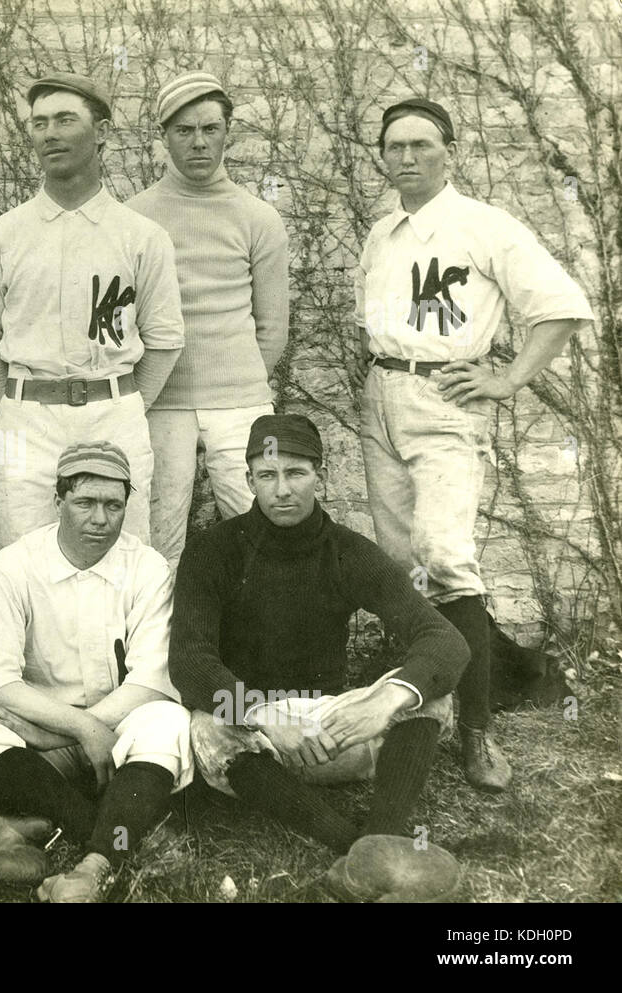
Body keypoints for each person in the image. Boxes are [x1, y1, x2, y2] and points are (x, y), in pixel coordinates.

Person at [355, 97, 595, 791]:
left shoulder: (483, 226)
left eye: (422, 145)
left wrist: (508, 378)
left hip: (447, 400)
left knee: (449, 558)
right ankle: (421, 714)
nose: (407, 157)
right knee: (403, 564)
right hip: (382, 393)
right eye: (394, 145)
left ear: (449, 151)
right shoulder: (382, 234)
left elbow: (561, 306)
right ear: (383, 155)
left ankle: (478, 732)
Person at [169, 414, 470, 901]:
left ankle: (380, 836)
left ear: (321, 476)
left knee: (432, 697)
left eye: (296, 473)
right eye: (267, 476)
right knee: (206, 726)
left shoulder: (347, 551)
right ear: (249, 481)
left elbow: (443, 637)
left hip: (331, 732)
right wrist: (262, 714)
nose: (281, 490)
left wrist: (382, 702)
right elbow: (189, 659)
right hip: (255, 742)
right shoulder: (213, 550)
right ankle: (354, 845)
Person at [0, 442, 191, 903]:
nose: (100, 518)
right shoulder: (13, 566)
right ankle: (110, 833)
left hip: (115, 732)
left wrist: (82, 731)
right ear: (58, 503)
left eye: (113, 505)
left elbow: (151, 679)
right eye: (85, 503)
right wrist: (75, 728)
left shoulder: (148, 567)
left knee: (170, 721)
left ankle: (80, 847)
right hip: (40, 731)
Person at [0, 72, 184, 553]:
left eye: (66, 120)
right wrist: (24, 398)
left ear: (101, 132)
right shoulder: (1, 235)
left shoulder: (141, 236)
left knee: (121, 560)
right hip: (27, 421)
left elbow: (164, 339)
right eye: (40, 123)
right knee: (22, 560)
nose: (50, 133)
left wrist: (119, 402)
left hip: (113, 415)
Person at [127, 70, 289, 574]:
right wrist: (151, 388)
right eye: (184, 131)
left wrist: (237, 380)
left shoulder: (258, 217)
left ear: (227, 133)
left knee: (261, 532)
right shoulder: (135, 217)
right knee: (156, 540)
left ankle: (260, 652)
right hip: (160, 401)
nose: (199, 142)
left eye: (210, 129)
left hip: (240, 401)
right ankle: (155, 652)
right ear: (164, 138)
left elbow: (272, 327)